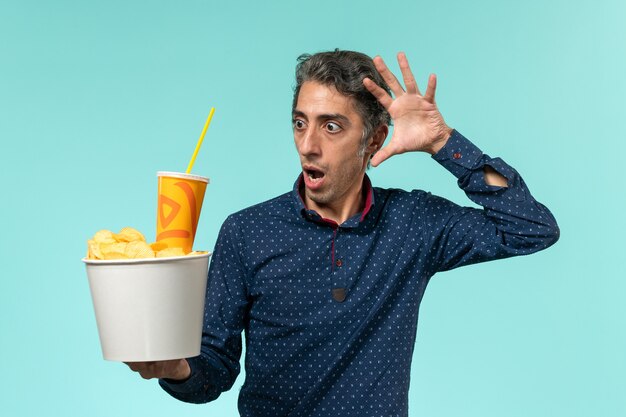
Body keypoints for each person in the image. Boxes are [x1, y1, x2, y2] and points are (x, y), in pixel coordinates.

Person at [127, 50, 559, 416]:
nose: (307, 145)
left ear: (373, 140)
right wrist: (174, 366)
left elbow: (530, 227)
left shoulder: (412, 222)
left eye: (331, 127)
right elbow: (212, 372)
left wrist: (444, 142)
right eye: (300, 123)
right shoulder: (247, 232)